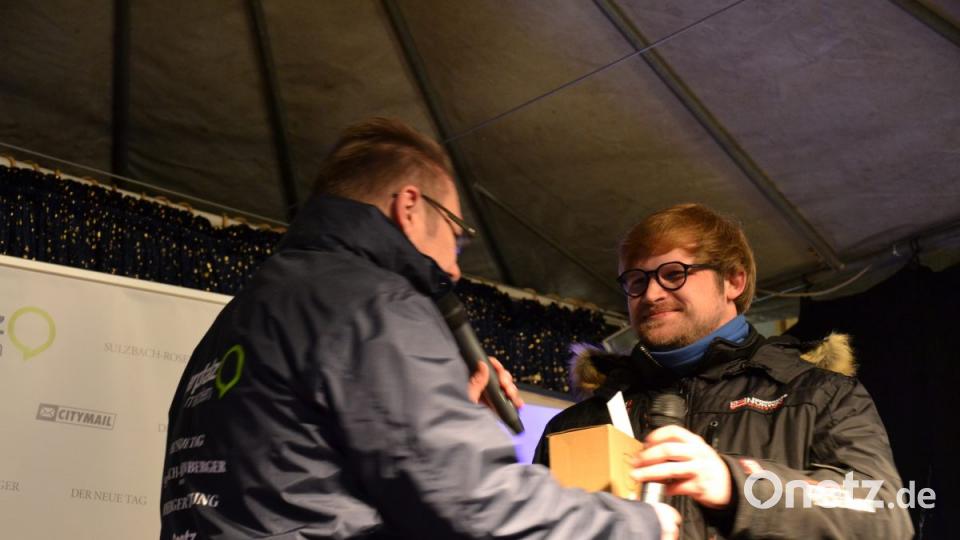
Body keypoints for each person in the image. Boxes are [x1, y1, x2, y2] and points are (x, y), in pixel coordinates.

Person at [160, 118, 678, 539]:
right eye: (455, 235)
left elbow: (297, 483)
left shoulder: (243, 314)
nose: (453, 268)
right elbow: (475, 502)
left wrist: (439, 406)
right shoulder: (378, 305)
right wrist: (639, 526)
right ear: (410, 206)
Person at [533, 203, 914, 539]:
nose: (651, 295)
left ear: (733, 280)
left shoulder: (816, 394)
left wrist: (738, 485)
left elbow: (883, 515)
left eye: (673, 273)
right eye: (636, 281)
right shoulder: (578, 423)